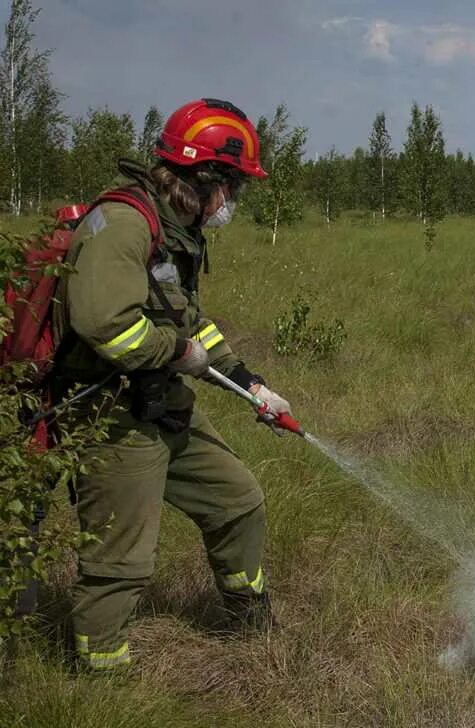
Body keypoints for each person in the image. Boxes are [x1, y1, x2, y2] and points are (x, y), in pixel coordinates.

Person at [51, 98, 294, 675]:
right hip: (110, 412)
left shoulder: (175, 227)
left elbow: (187, 319)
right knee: (122, 563)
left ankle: (249, 626)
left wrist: (248, 383)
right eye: (232, 187)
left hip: (163, 401)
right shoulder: (126, 225)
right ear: (204, 178)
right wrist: (178, 352)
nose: (233, 202)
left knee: (239, 500)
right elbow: (106, 326)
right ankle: (100, 684)